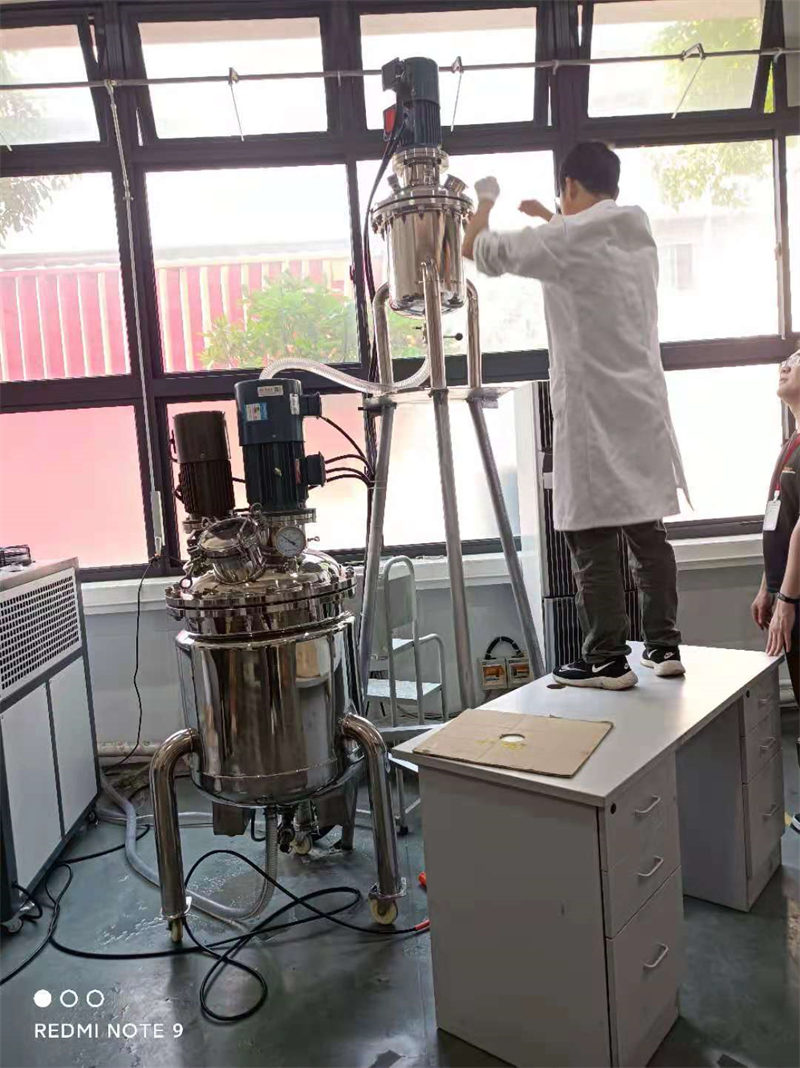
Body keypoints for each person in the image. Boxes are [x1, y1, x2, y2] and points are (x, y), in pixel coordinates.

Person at [463, 141, 689, 690]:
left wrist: (485, 199)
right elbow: (582, 245)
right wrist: (550, 216)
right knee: (648, 534)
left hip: (593, 416)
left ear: (568, 184)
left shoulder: (562, 240)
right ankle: (664, 646)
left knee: (591, 537)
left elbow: (477, 249)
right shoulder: (636, 233)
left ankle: (607, 660)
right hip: (643, 412)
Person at [751, 349, 800, 831]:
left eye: (798, 358)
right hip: (786, 590)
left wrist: (787, 598)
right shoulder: (790, 444)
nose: (785, 364)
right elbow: (778, 520)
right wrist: (766, 586)